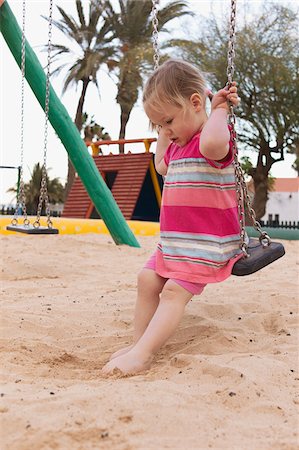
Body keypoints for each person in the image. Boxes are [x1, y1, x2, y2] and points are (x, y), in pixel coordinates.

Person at [102, 59, 243, 376]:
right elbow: (161, 165)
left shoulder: (212, 139)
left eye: (168, 121)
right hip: (177, 242)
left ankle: (144, 354)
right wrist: (164, 129)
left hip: (207, 245)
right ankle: (139, 342)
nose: (164, 131)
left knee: (173, 292)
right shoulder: (176, 147)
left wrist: (218, 109)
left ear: (196, 102)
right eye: (157, 126)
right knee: (146, 280)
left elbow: (212, 142)